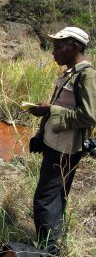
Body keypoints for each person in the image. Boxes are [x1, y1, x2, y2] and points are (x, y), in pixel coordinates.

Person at [28, 27, 96, 255]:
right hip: (53, 145)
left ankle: (48, 251)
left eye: (58, 47)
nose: (53, 52)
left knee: (45, 201)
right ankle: (51, 245)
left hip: (65, 150)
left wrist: (51, 110)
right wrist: (41, 131)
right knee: (54, 198)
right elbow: (63, 109)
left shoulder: (87, 75)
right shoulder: (71, 73)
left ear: (74, 47)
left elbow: (89, 116)